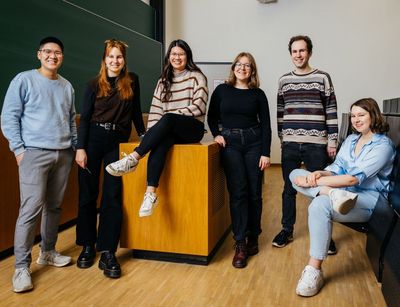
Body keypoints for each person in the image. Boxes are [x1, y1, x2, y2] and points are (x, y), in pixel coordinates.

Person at [290, 98, 395, 296]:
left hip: (371, 200)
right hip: (341, 192)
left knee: (318, 205)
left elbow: (352, 180)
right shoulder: (351, 140)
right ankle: (332, 194)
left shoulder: (383, 145)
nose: (356, 119)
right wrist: (320, 174)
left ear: (373, 115)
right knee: (294, 174)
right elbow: (337, 169)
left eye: (361, 115)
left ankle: (314, 269)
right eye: (353, 115)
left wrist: (314, 182)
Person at [1, 37, 77, 293]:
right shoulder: (24, 80)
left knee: (54, 207)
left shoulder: (67, 86)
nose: (52, 56)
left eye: (57, 53)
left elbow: (70, 119)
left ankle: (47, 252)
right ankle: (21, 268)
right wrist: (19, 150)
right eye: (47, 52)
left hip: (63, 153)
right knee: (30, 209)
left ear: (62, 57)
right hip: (34, 153)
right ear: (39, 54)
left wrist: (74, 147)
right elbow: (9, 116)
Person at [105, 39, 208, 217]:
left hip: (192, 128)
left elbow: (199, 107)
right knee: (162, 141)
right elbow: (155, 110)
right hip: (169, 129)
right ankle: (150, 193)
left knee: (168, 118)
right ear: (169, 57)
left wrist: (173, 116)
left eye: (181, 54)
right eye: (174, 54)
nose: (177, 57)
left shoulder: (197, 76)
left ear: (187, 56)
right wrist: (151, 135)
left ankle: (134, 159)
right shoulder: (163, 81)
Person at [74, 39, 145, 279]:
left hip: (117, 142)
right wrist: (80, 148)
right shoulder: (92, 85)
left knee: (113, 195)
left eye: (119, 57)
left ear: (124, 60)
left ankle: (107, 251)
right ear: (104, 59)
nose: (115, 61)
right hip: (92, 140)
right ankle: (86, 244)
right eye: (111, 57)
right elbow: (84, 119)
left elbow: (135, 113)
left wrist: (145, 137)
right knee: (87, 193)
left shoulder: (132, 81)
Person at [273, 35, 339, 251]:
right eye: (294, 51)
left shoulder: (323, 77)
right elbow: (280, 113)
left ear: (309, 52)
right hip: (291, 144)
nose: (298, 55)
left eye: (302, 51)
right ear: (290, 53)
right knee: (288, 188)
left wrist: (332, 140)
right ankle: (287, 230)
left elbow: (331, 110)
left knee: (320, 188)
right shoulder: (284, 80)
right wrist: (283, 139)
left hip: (317, 144)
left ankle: (326, 237)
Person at [208, 52, 272, 268]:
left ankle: (254, 235)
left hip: (254, 142)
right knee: (238, 192)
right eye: (239, 64)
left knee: (254, 192)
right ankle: (240, 243)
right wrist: (216, 133)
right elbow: (211, 116)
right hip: (231, 143)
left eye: (247, 65)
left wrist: (265, 152)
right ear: (233, 67)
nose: (242, 68)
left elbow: (265, 125)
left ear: (252, 70)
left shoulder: (258, 94)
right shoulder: (221, 90)